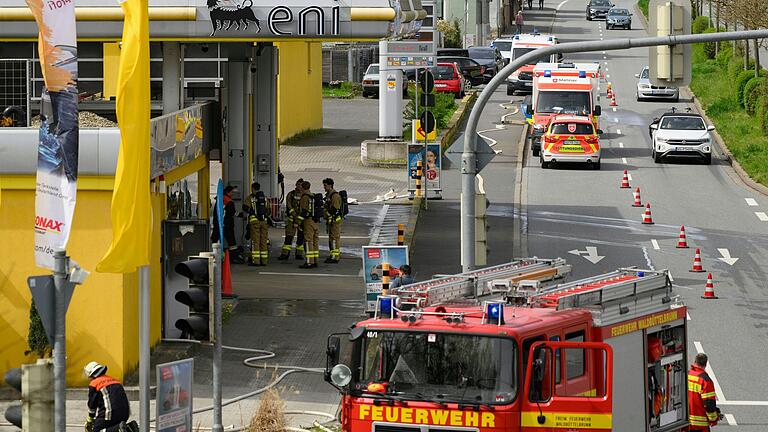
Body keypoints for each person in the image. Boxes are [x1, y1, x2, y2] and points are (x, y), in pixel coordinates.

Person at [84, 361, 137, 432]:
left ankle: (118, 430)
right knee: (112, 426)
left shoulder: (95, 383)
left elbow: (92, 404)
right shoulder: (115, 380)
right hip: (125, 413)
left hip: (110, 414)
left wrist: (90, 420)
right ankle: (129, 428)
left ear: (91, 375)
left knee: (96, 430)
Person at [688, 353, 722, 431]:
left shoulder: (687, 375)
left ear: (695, 362)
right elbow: (708, 404)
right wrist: (714, 418)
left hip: (686, 423)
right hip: (700, 426)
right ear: (705, 364)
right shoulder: (705, 381)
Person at [211, 185, 241, 261]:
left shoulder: (219, 200)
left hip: (218, 223)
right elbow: (232, 213)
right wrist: (240, 215)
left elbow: (216, 213)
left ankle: (213, 256)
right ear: (228, 192)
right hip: (228, 225)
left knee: (215, 239)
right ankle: (233, 257)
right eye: (232, 192)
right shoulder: (229, 201)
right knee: (232, 242)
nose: (232, 194)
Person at [278, 178, 305, 260]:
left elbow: (305, 208)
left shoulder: (305, 195)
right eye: (298, 185)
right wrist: (294, 216)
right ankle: (285, 254)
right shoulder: (291, 194)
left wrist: (299, 218)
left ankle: (299, 254)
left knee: (301, 238)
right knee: (289, 237)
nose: (299, 187)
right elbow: (289, 206)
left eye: (301, 185)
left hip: (301, 220)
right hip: (291, 220)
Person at [243, 182, 269, 266]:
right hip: (264, 222)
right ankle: (264, 260)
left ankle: (256, 261)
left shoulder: (250, 198)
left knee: (255, 242)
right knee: (263, 241)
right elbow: (269, 210)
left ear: (252, 188)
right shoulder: (265, 198)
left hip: (255, 222)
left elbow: (245, 208)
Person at [296, 180, 319, 268]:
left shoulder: (305, 197)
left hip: (308, 222)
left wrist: (297, 222)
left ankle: (309, 262)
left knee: (308, 241)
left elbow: (303, 212)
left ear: (302, 188)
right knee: (315, 241)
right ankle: (315, 260)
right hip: (315, 221)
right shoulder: (313, 196)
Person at [323, 178, 343, 264]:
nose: (324, 187)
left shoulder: (334, 196)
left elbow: (335, 209)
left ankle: (335, 257)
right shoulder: (328, 195)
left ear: (330, 185)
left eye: (325, 185)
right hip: (331, 221)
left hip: (335, 221)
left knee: (334, 239)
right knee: (331, 239)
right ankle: (332, 255)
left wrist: (326, 214)